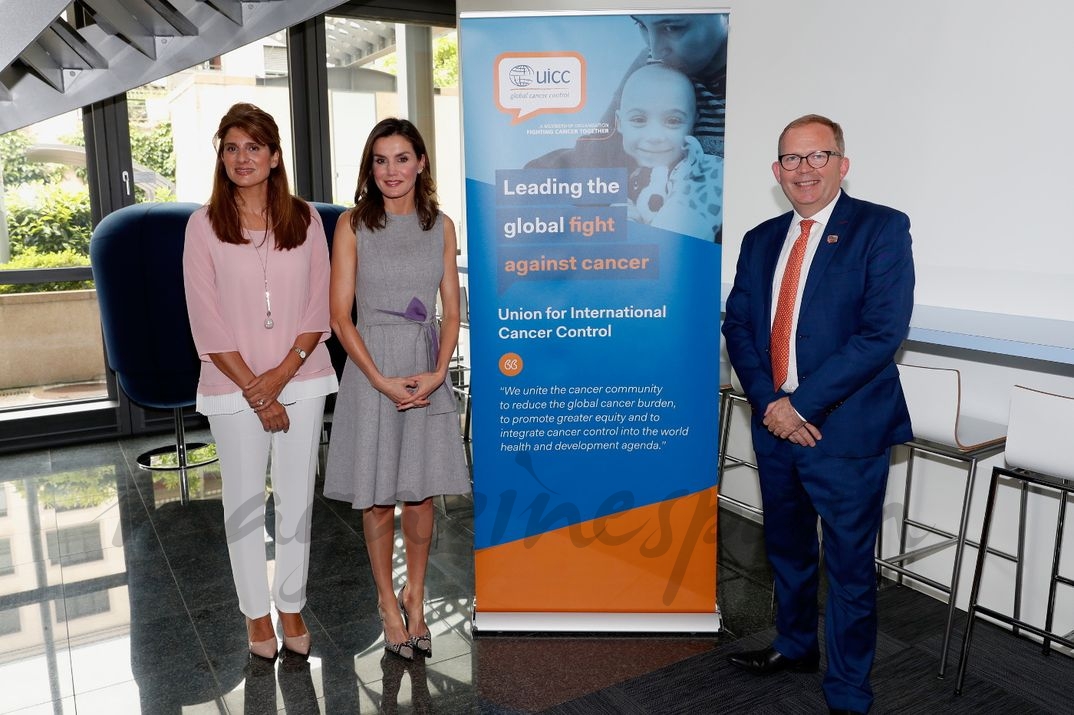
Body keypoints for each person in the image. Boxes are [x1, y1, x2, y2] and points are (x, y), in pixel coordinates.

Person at [721, 114, 915, 715]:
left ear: (842, 164)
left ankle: (849, 692)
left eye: (817, 157)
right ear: (777, 171)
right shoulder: (760, 239)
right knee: (787, 550)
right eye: (792, 160)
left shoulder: (881, 229)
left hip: (845, 429)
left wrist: (798, 405)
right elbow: (740, 326)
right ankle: (796, 645)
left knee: (850, 568)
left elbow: (881, 333)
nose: (803, 170)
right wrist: (769, 403)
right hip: (776, 427)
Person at [182, 103, 338, 661]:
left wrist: (280, 377)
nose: (242, 158)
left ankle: (290, 602)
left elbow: (319, 308)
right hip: (232, 387)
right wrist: (257, 388)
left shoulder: (308, 220)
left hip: (301, 376)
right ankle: (256, 615)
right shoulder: (202, 226)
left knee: (297, 500)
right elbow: (206, 320)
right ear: (221, 158)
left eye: (253, 147)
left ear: (274, 157)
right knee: (244, 505)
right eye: (231, 148)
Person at [322, 118, 470, 661]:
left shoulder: (443, 225)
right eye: (380, 160)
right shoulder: (353, 225)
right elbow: (340, 317)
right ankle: (387, 602)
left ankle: (416, 596)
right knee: (379, 496)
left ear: (421, 163)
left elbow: (452, 309)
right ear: (370, 167)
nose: (391, 170)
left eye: (402, 158)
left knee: (422, 494)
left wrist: (437, 371)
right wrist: (379, 379)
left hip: (425, 366)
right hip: (371, 368)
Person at [526, 13, 728, 170]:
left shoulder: (751, 74)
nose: (656, 51)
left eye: (672, 28)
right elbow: (600, 151)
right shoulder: (649, 61)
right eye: (640, 24)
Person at [618, 62, 723, 241]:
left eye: (673, 121)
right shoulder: (619, 179)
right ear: (619, 123)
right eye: (638, 119)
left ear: (693, 123)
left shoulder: (705, 171)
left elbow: (676, 236)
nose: (654, 136)